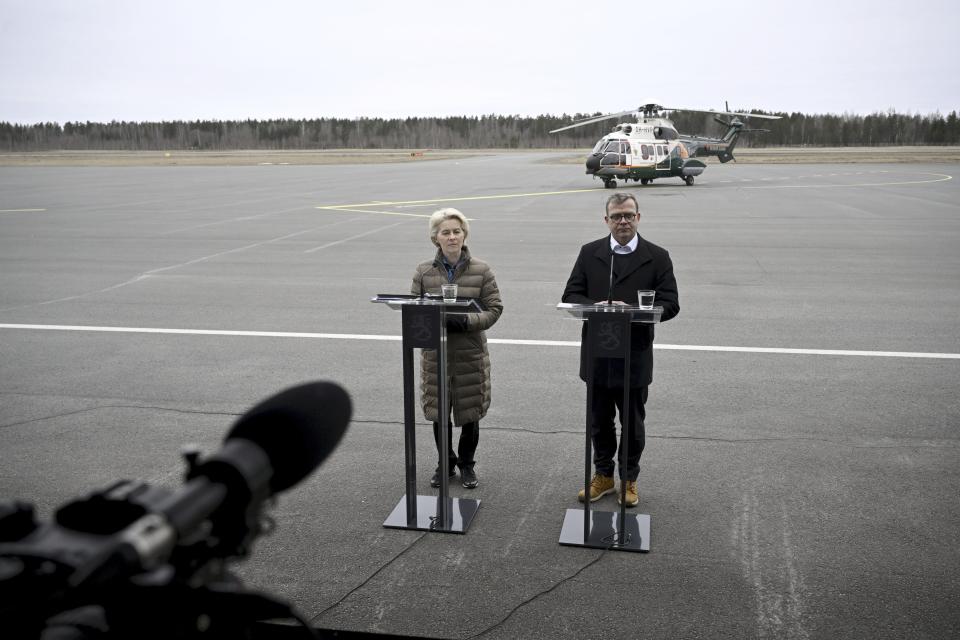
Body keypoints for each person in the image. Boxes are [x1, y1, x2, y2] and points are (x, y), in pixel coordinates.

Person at [561, 193, 679, 507]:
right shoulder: (591, 253)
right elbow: (572, 294)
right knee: (599, 422)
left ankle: (629, 479)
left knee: (633, 423)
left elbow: (671, 304)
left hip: (634, 356)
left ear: (638, 217)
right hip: (598, 355)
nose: (622, 221)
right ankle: (603, 476)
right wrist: (593, 306)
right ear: (606, 220)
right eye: (616, 216)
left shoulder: (658, 256)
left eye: (628, 215)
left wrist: (639, 310)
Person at [410, 208, 503, 489]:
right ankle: (445, 463)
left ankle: (467, 464)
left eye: (457, 231)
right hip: (435, 355)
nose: (452, 237)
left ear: (464, 235)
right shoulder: (424, 271)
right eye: (446, 232)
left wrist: (464, 321)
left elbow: (495, 309)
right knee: (440, 414)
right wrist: (431, 320)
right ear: (435, 238)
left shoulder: (482, 270)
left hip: (469, 354)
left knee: (470, 414)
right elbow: (414, 310)